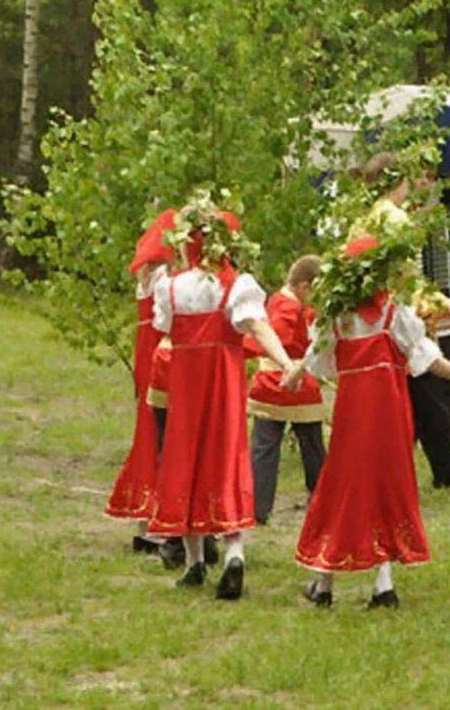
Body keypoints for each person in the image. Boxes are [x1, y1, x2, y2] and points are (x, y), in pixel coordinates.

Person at [290, 236, 450, 608]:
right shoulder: (393, 314)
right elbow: (428, 359)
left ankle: (326, 581)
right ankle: (381, 585)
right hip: (390, 413)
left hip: (353, 415)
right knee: (384, 484)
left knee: (343, 485)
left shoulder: (336, 318)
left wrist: (296, 372)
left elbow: (319, 360)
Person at [146, 196, 299, 600]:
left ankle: (195, 561)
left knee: (186, 459)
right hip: (223, 385)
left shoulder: (172, 286)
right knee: (225, 458)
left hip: (186, 385)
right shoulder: (235, 285)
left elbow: (163, 325)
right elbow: (259, 327)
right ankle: (233, 553)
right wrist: (286, 363)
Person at [352, 153, 450, 489]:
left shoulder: (363, 219)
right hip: (401, 312)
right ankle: (446, 467)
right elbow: (408, 277)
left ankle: (440, 466)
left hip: (374, 314)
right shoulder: (396, 219)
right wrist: (441, 302)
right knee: (427, 385)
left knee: (414, 392)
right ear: (398, 181)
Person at [106, 208, 181, 552]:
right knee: (161, 435)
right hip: (161, 358)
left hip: (146, 357)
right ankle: (156, 522)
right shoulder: (166, 278)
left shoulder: (148, 277)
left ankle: (146, 521)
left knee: (148, 434)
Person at [246, 255, 326, 525]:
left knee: (264, 447)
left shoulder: (275, 301)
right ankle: (322, 498)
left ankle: (258, 506)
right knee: (312, 444)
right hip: (292, 377)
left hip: (267, 381)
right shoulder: (290, 309)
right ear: (304, 286)